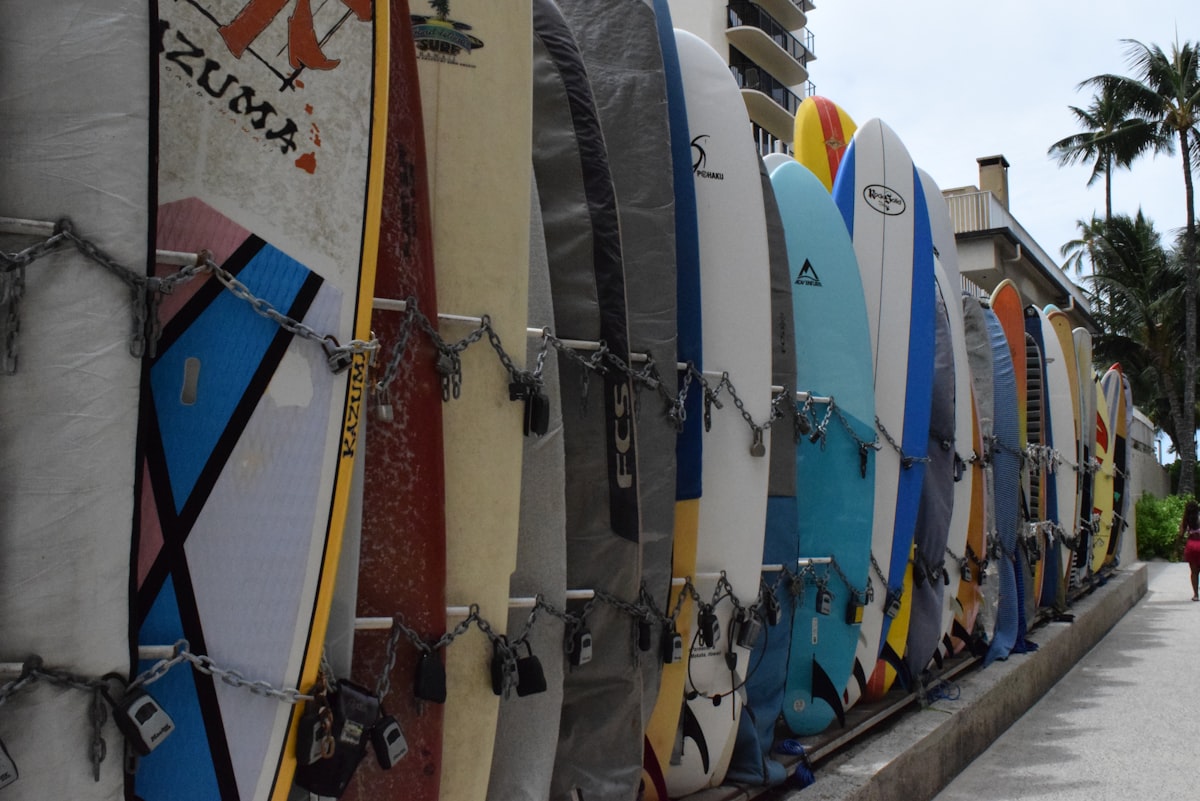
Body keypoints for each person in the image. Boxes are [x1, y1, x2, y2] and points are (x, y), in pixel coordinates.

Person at [1181, 499, 1200, 601]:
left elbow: (1180, 534)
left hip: (1191, 546)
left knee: (1194, 572)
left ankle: (1196, 595)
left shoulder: (1186, 520)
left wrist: (1176, 549)